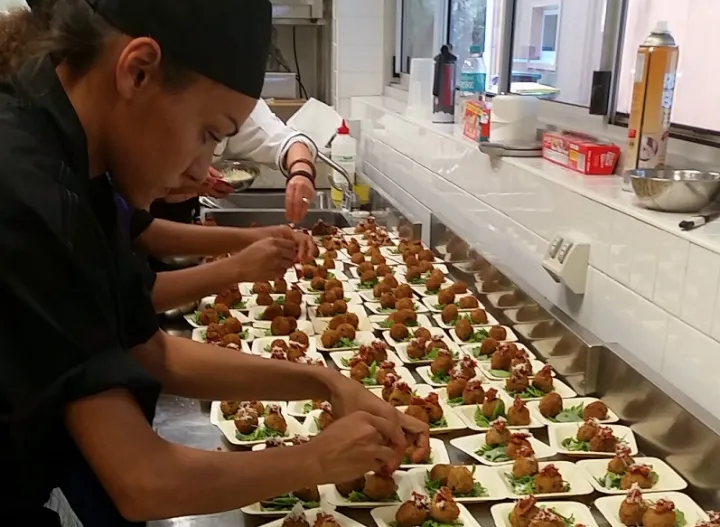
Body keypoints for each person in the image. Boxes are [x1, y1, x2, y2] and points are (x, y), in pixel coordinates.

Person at [0, 3, 428, 527]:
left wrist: (323, 383)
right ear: (138, 71)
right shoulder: (23, 192)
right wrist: (316, 458)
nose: (204, 169)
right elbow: (143, 482)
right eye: (208, 132)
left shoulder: (73, 163)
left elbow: (149, 348)